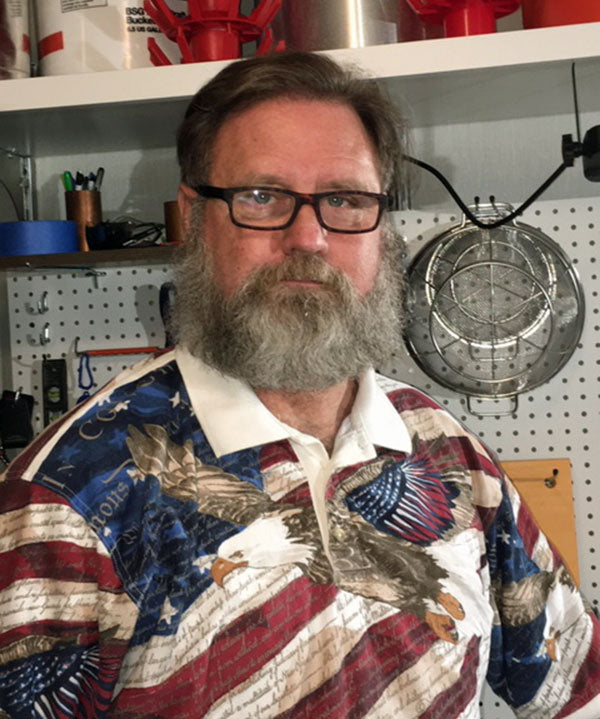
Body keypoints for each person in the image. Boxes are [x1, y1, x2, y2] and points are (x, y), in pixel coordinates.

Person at [0, 51, 599, 719]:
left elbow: (576, 686)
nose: (308, 236)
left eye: (344, 199)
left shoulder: (446, 452)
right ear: (196, 218)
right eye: (262, 196)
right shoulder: (69, 494)